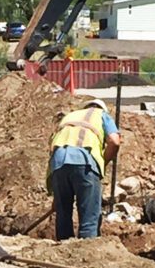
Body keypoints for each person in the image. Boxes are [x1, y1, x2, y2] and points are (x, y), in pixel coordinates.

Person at [48, 99, 121, 240]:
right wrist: (103, 163)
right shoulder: (102, 115)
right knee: (89, 217)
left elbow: (52, 145)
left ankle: (61, 253)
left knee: (63, 216)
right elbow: (114, 141)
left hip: (58, 162)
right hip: (85, 161)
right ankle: (87, 254)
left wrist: (58, 197)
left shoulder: (69, 117)